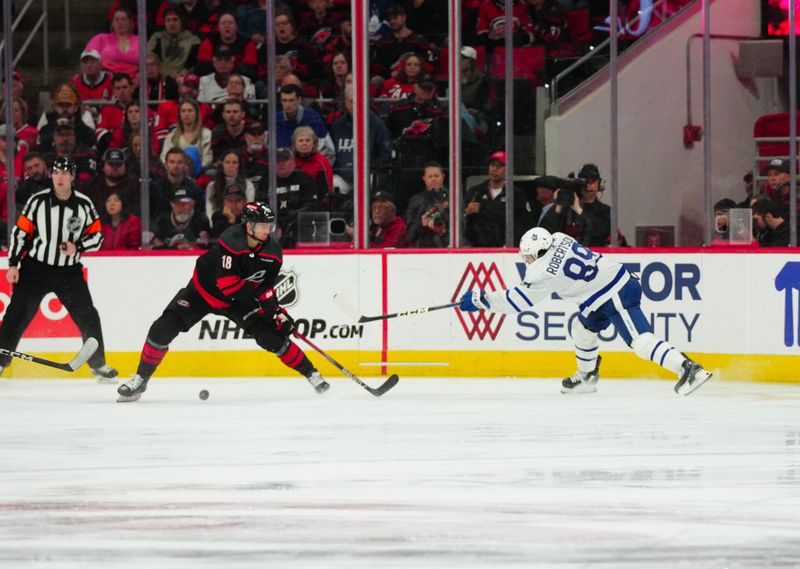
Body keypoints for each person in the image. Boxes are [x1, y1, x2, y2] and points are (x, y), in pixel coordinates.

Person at [458, 227, 713, 396]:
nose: (526, 261)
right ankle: (588, 374)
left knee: (639, 341)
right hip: (606, 290)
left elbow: (517, 302)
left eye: (528, 256)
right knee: (582, 327)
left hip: (615, 294)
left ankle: (689, 368)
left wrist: (483, 301)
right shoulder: (559, 238)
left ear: (538, 253)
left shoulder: (541, 272)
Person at [116, 202, 330, 402]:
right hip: (202, 292)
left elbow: (265, 288)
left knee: (270, 337)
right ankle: (140, 380)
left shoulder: (273, 253)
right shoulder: (231, 241)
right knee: (162, 329)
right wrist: (264, 307)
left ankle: (312, 374)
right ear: (249, 225)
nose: (268, 230)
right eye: (263, 225)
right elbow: (228, 285)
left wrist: (276, 313)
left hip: (236, 301)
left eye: (269, 225)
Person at [0, 156, 118, 382]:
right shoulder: (38, 202)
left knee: (88, 316)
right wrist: (13, 263)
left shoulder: (84, 204)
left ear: (72, 176)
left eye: (65, 173)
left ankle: (98, 365)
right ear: (51, 175)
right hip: (35, 270)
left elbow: (98, 237)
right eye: (56, 172)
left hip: (68, 271)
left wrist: (78, 246)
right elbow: (20, 234)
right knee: (16, 315)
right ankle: (0, 361)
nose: (60, 177)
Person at [464, 151, 534, 246]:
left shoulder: (516, 194)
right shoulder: (476, 192)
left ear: (507, 169)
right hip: (479, 250)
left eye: (499, 166)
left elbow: (525, 223)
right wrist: (467, 212)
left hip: (507, 249)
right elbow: (464, 222)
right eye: (492, 165)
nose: (494, 169)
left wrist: (514, 245)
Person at [84, 7, 140, 81]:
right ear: (112, 23)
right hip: (105, 80)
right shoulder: (100, 38)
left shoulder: (140, 40)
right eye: (117, 20)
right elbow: (87, 60)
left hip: (135, 82)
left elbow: (148, 62)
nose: (120, 23)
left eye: (123, 19)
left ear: (130, 22)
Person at [159, 98, 213, 170]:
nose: (186, 114)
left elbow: (207, 159)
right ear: (179, 115)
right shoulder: (172, 135)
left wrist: (193, 169)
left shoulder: (206, 134)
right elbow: (164, 157)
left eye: (190, 110)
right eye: (183, 111)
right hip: (175, 172)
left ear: (196, 113)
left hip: (199, 173)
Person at [146, 7, 201, 77]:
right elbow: (148, 57)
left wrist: (181, 75)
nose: (171, 24)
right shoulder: (157, 37)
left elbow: (193, 65)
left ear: (182, 21)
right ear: (164, 23)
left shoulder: (193, 40)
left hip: (182, 77)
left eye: (175, 20)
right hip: (159, 76)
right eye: (168, 20)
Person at [405, 161, 449, 247]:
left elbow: (462, 228)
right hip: (423, 249)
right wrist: (422, 224)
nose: (433, 179)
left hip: (449, 248)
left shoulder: (453, 199)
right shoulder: (416, 200)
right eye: (430, 176)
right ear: (424, 178)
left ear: (443, 176)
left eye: (436, 176)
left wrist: (443, 232)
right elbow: (408, 233)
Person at [205, 149, 256, 221]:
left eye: (234, 163)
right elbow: (209, 212)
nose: (231, 166)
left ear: (239, 165)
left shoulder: (248, 185)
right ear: (222, 164)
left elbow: (249, 210)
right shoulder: (211, 186)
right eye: (227, 162)